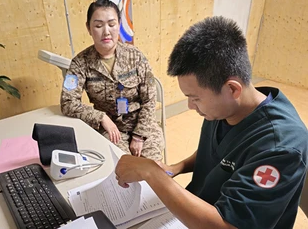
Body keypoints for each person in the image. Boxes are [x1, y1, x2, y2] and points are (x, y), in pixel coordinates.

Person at [115, 16, 308, 229]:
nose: (190, 106)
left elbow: (229, 225)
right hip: (194, 213)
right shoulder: (224, 108)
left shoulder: (280, 147)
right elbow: (217, 152)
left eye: (195, 98)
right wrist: (177, 166)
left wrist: (151, 173)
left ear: (232, 89)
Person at [60, 0, 164, 161]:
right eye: (99, 26)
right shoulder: (80, 63)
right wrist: (100, 117)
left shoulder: (135, 56)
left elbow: (150, 99)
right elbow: (67, 102)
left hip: (143, 127)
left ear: (119, 25)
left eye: (111, 24)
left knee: (153, 169)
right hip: (110, 130)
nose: (106, 31)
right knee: (123, 167)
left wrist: (139, 135)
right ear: (89, 28)